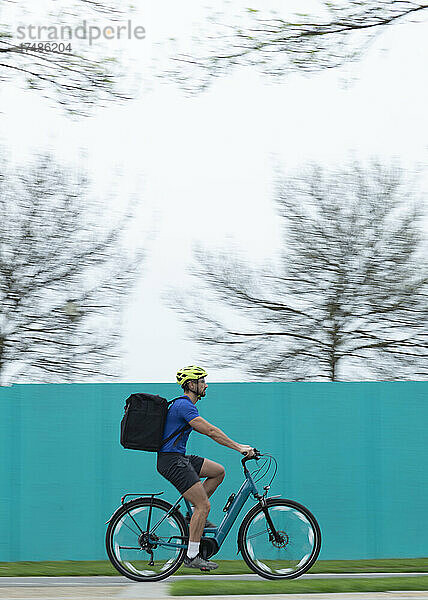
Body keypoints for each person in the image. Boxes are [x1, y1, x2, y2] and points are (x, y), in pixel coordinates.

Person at [156, 365, 255, 571]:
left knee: (218, 471)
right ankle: (192, 555)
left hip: (179, 458)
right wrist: (239, 447)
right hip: (172, 461)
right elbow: (210, 431)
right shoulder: (184, 406)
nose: (206, 385)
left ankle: (192, 516)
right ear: (192, 385)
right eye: (203, 382)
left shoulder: (185, 406)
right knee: (204, 506)